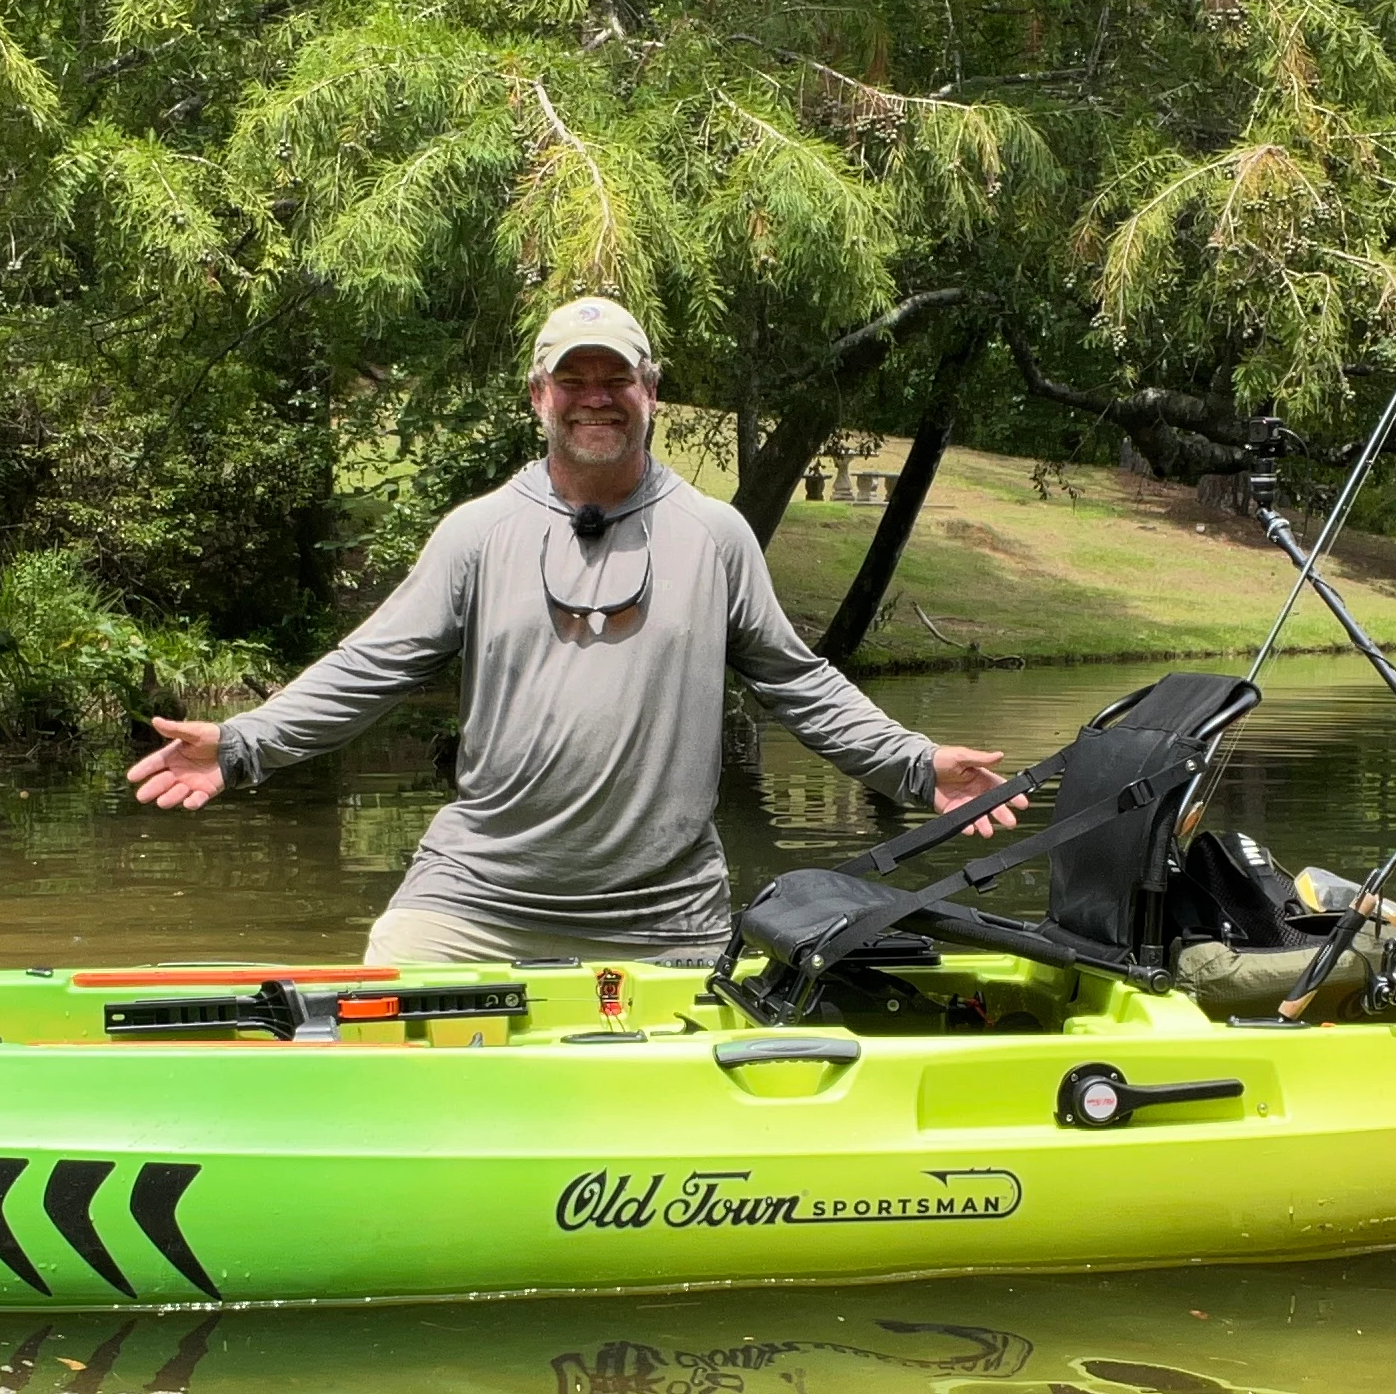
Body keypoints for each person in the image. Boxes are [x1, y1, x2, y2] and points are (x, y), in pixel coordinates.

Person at [124, 295, 1018, 966]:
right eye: (574, 380)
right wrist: (242, 743)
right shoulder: (477, 533)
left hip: (665, 915)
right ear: (538, 396)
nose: (597, 397)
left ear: (651, 393)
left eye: (616, 378)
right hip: (476, 901)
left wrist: (914, 762)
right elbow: (372, 666)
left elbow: (799, 682)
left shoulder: (714, 537)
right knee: (385, 1036)